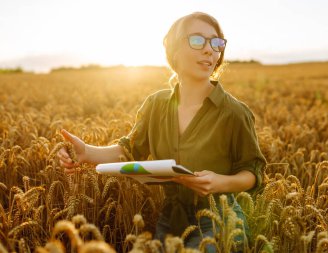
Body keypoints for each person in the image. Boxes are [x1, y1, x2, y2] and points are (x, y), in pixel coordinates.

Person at [57, 11, 266, 252]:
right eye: (198, 40)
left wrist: (219, 183)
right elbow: (129, 150)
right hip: (171, 219)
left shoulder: (234, 113)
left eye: (216, 43)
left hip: (220, 220)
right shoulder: (156, 105)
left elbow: (253, 173)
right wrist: (86, 152)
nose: (210, 50)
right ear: (175, 50)